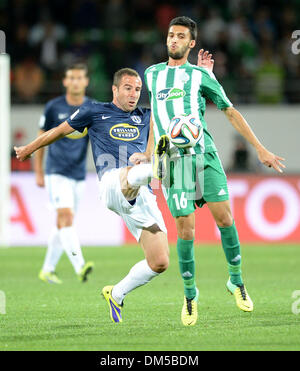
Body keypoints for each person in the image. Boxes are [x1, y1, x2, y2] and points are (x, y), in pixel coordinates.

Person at [144, 16, 285, 326]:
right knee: (186, 232)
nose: (174, 40)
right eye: (171, 35)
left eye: (181, 36)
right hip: (175, 164)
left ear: (191, 43)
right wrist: (147, 153)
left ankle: (236, 281)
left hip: (204, 156)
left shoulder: (200, 76)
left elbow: (229, 110)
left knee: (225, 219)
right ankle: (190, 296)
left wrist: (259, 148)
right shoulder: (152, 75)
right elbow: (154, 116)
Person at [15, 68, 169, 324]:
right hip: (112, 184)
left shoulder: (146, 116)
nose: (133, 94)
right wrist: (29, 149)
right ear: (115, 89)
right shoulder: (94, 111)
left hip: (141, 194)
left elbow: (159, 125)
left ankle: (116, 294)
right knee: (132, 170)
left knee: (160, 261)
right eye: (128, 88)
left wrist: (151, 152)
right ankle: (156, 168)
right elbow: (59, 130)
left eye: (138, 90)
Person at [35, 63, 94, 284]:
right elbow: (41, 139)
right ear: (65, 81)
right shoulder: (53, 107)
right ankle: (80, 266)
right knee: (66, 217)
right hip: (56, 170)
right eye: (71, 78)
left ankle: (47, 269)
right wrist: (39, 172)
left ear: (86, 82)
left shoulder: (91, 107)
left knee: (62, 223)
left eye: (80, 78)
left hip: (78, 174)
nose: (76, 82)